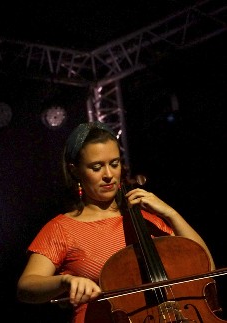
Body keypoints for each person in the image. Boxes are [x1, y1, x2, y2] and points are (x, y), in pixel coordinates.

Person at [16, 121, 215, 322]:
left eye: (114, 163)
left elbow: (205, 267)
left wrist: (171, 213)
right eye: (96, 167)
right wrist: (66, 281)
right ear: (75, 170)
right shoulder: (61, 229)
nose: (109, 175)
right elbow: (26, 287)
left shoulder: (145, 219)